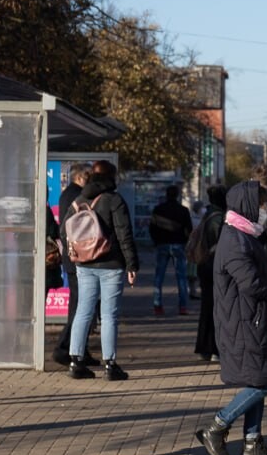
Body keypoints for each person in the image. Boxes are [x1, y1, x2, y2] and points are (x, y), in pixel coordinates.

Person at [195, 181, 267, 455]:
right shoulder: (236, 240)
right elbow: (252, 285)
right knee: (262, 382)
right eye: (261, 204)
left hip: (250, 318)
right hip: (242, 320)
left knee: (258, 378)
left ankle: (252, 444)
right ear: (248, 206)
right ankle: (217, 426)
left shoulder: (244, 235)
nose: (265, 210)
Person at [67, 159, 137, 382]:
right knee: (109, 315)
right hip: (111, 265)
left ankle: (75, 361)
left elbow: (64, 231)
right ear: (111, 177)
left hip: (84, 264)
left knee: (83, 311)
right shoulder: (114, 200)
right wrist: (131, 264)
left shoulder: (78, 200)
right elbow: (124, 233)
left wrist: (75, 255)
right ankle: (110, 364)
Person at [53, 162, 94, 365]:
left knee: (79, 305)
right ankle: (67, 348)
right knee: (80, 306)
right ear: (81, 177)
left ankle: (75, 349)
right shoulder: (76, 196)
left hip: (72, 257)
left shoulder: (68, 193)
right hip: (78, 257)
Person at [193, 185, 228, 362]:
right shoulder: (219, 217)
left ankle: (205, 347)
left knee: (207, 307)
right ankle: (214, 348)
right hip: (214, 265)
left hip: (204, 265)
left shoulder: (207, 215)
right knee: (217, 307)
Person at [149, 184, 193, 316]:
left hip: (162, 245)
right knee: (181, 277)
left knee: (159, 277)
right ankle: (183, 307)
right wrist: (185, 242)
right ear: (178, 195)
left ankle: (158, 306)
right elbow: (188, 229)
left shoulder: (158, 209)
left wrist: (156, 242)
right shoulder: (183, 210)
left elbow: (152, 228)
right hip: (179, 245)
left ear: (166, 195)